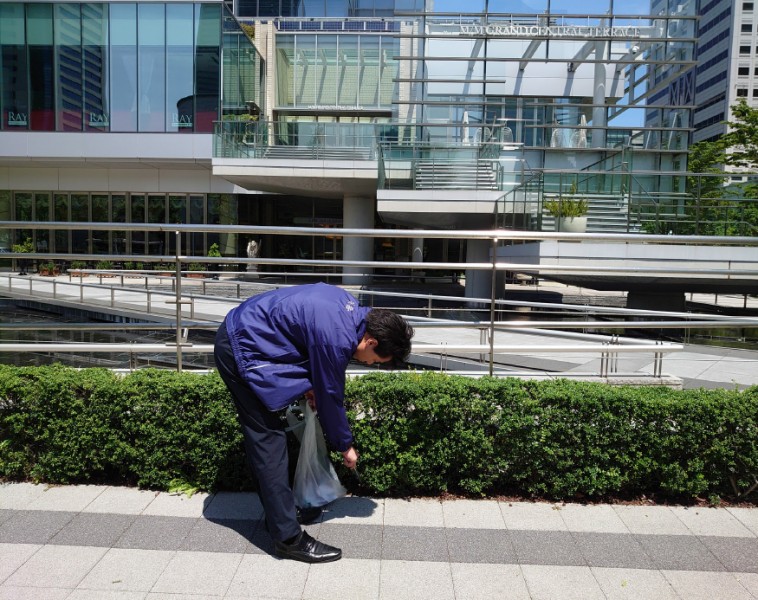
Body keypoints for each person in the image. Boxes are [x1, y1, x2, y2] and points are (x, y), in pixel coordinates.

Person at [214, 283, 414, 563]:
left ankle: (280, 514)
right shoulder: (336, 337)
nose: (371, 365)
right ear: (371, 342)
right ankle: (288, 539)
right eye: (377, 360)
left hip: (249, 333)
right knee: (268, 440)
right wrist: (346, 446)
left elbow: (307, 340)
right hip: (241, 349)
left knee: (269, 439)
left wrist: (312, 386)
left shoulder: (349, 310)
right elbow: (331, 396)